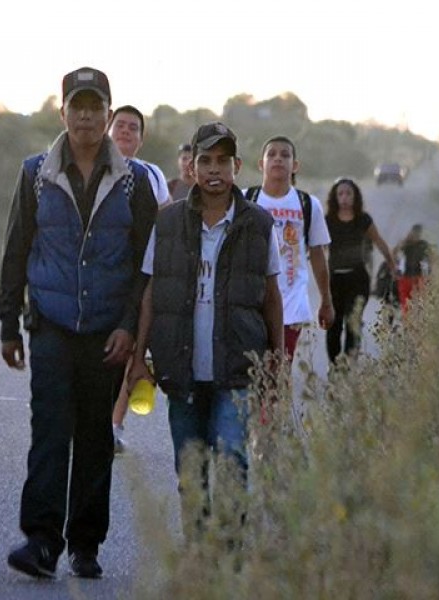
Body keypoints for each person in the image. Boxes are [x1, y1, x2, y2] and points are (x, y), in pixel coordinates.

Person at [0, 67, 157, 580]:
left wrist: (131, 328)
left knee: (94, 439)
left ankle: (85, 545)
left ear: (110, 114)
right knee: (49, 433)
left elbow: (144, 265)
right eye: (77, 105)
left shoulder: (133, 182)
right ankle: (40, 542)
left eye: (96, 106)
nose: (86, 115)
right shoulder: (35, 172)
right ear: (61, 111)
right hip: (51, 323)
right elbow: (17, 245)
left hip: (108, 329)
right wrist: (7, 322)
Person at [127, 122, 283, 525]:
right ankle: (199, 552)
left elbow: (271, 296)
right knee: (190, 471)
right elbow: (150, 292)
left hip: (237, 366)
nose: (214, 170)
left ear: (238, 167)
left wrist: (277, 362)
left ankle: (228, 556)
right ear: (191, 168)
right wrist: (138, 357)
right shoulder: (167, 224)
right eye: (205, 160)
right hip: (181, 367)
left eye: (223, 161)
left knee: (233, 460)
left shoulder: (260, 225)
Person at [107, 104, 168, 453]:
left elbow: (166, 218)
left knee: (131, 350)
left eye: (133, 128)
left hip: (140, 275)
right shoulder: (92, 167)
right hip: (104, 275)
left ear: (141, 139)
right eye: (121, 125)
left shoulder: (151, 175)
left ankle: (113, 425)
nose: (126, 131)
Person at [247, 135, 334, 362]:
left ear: (294, 165)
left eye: (285, 155)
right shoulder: (246, 199)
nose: (278, 159)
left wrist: (326, 300)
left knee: (279, 372)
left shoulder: (307, 204)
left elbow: (317, 255)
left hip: (291, 306)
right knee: (251, 375)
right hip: (250, 304)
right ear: (261, 163)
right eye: (271, 154)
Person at [324, 177, 396, 362]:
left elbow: (378, 241)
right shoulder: (327, 221)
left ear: (355, 197)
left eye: (349, 193)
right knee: (334, 324)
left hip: (358, 279)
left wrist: (391, 263)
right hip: (334, 280)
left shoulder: (363, 220)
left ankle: (349, 363)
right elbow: (315, 247)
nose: (345, 197)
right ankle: (334, 364)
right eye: (340, 193)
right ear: (335, 197)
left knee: (352, 323)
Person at [393, 223, 430, 313]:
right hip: (406, 278)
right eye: (415, 233)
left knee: (419, 304)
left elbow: (430, 259)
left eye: (418, 233)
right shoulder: (405, 244)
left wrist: (429, 273)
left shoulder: (423, 245)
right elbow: (395, 255)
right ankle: (408, 323)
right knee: (406, 304)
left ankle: (415, 322)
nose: (416, 235)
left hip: (418, 278)